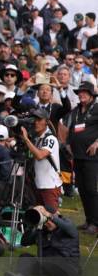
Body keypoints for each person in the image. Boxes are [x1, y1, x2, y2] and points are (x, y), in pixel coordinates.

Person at [4, 205, 80, 276]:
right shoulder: (41, 229)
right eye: (45, 221)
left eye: (49, 220)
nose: (48, 223)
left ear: (57, 215)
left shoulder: (68, 224)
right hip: (47, 265)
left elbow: (70, 228)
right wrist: (32, 225)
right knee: (25, 257)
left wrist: (49, 216)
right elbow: (24, 242)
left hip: (66, 266)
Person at [61, 82, 98, 234]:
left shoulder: (96, 108)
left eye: (85, 92)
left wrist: (97, 142)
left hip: (92, 156)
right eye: (80, 92)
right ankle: (89, 220)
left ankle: (95, 223)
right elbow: (67, 127)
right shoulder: (76, 110)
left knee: (91, 188)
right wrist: (67, 143)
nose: (81, 94)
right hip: (77, 155)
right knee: (82, 189)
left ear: (91, 95)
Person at [19, 108, 62, 212]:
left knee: (52, 218)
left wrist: (26, 140)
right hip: (39, 184)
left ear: (46, 122)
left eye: (39, 120)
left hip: (50, 185)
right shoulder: (37, 138)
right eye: (34, 120)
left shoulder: (50, 138)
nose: (36, 123)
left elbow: (40, 155)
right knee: (40, 217)